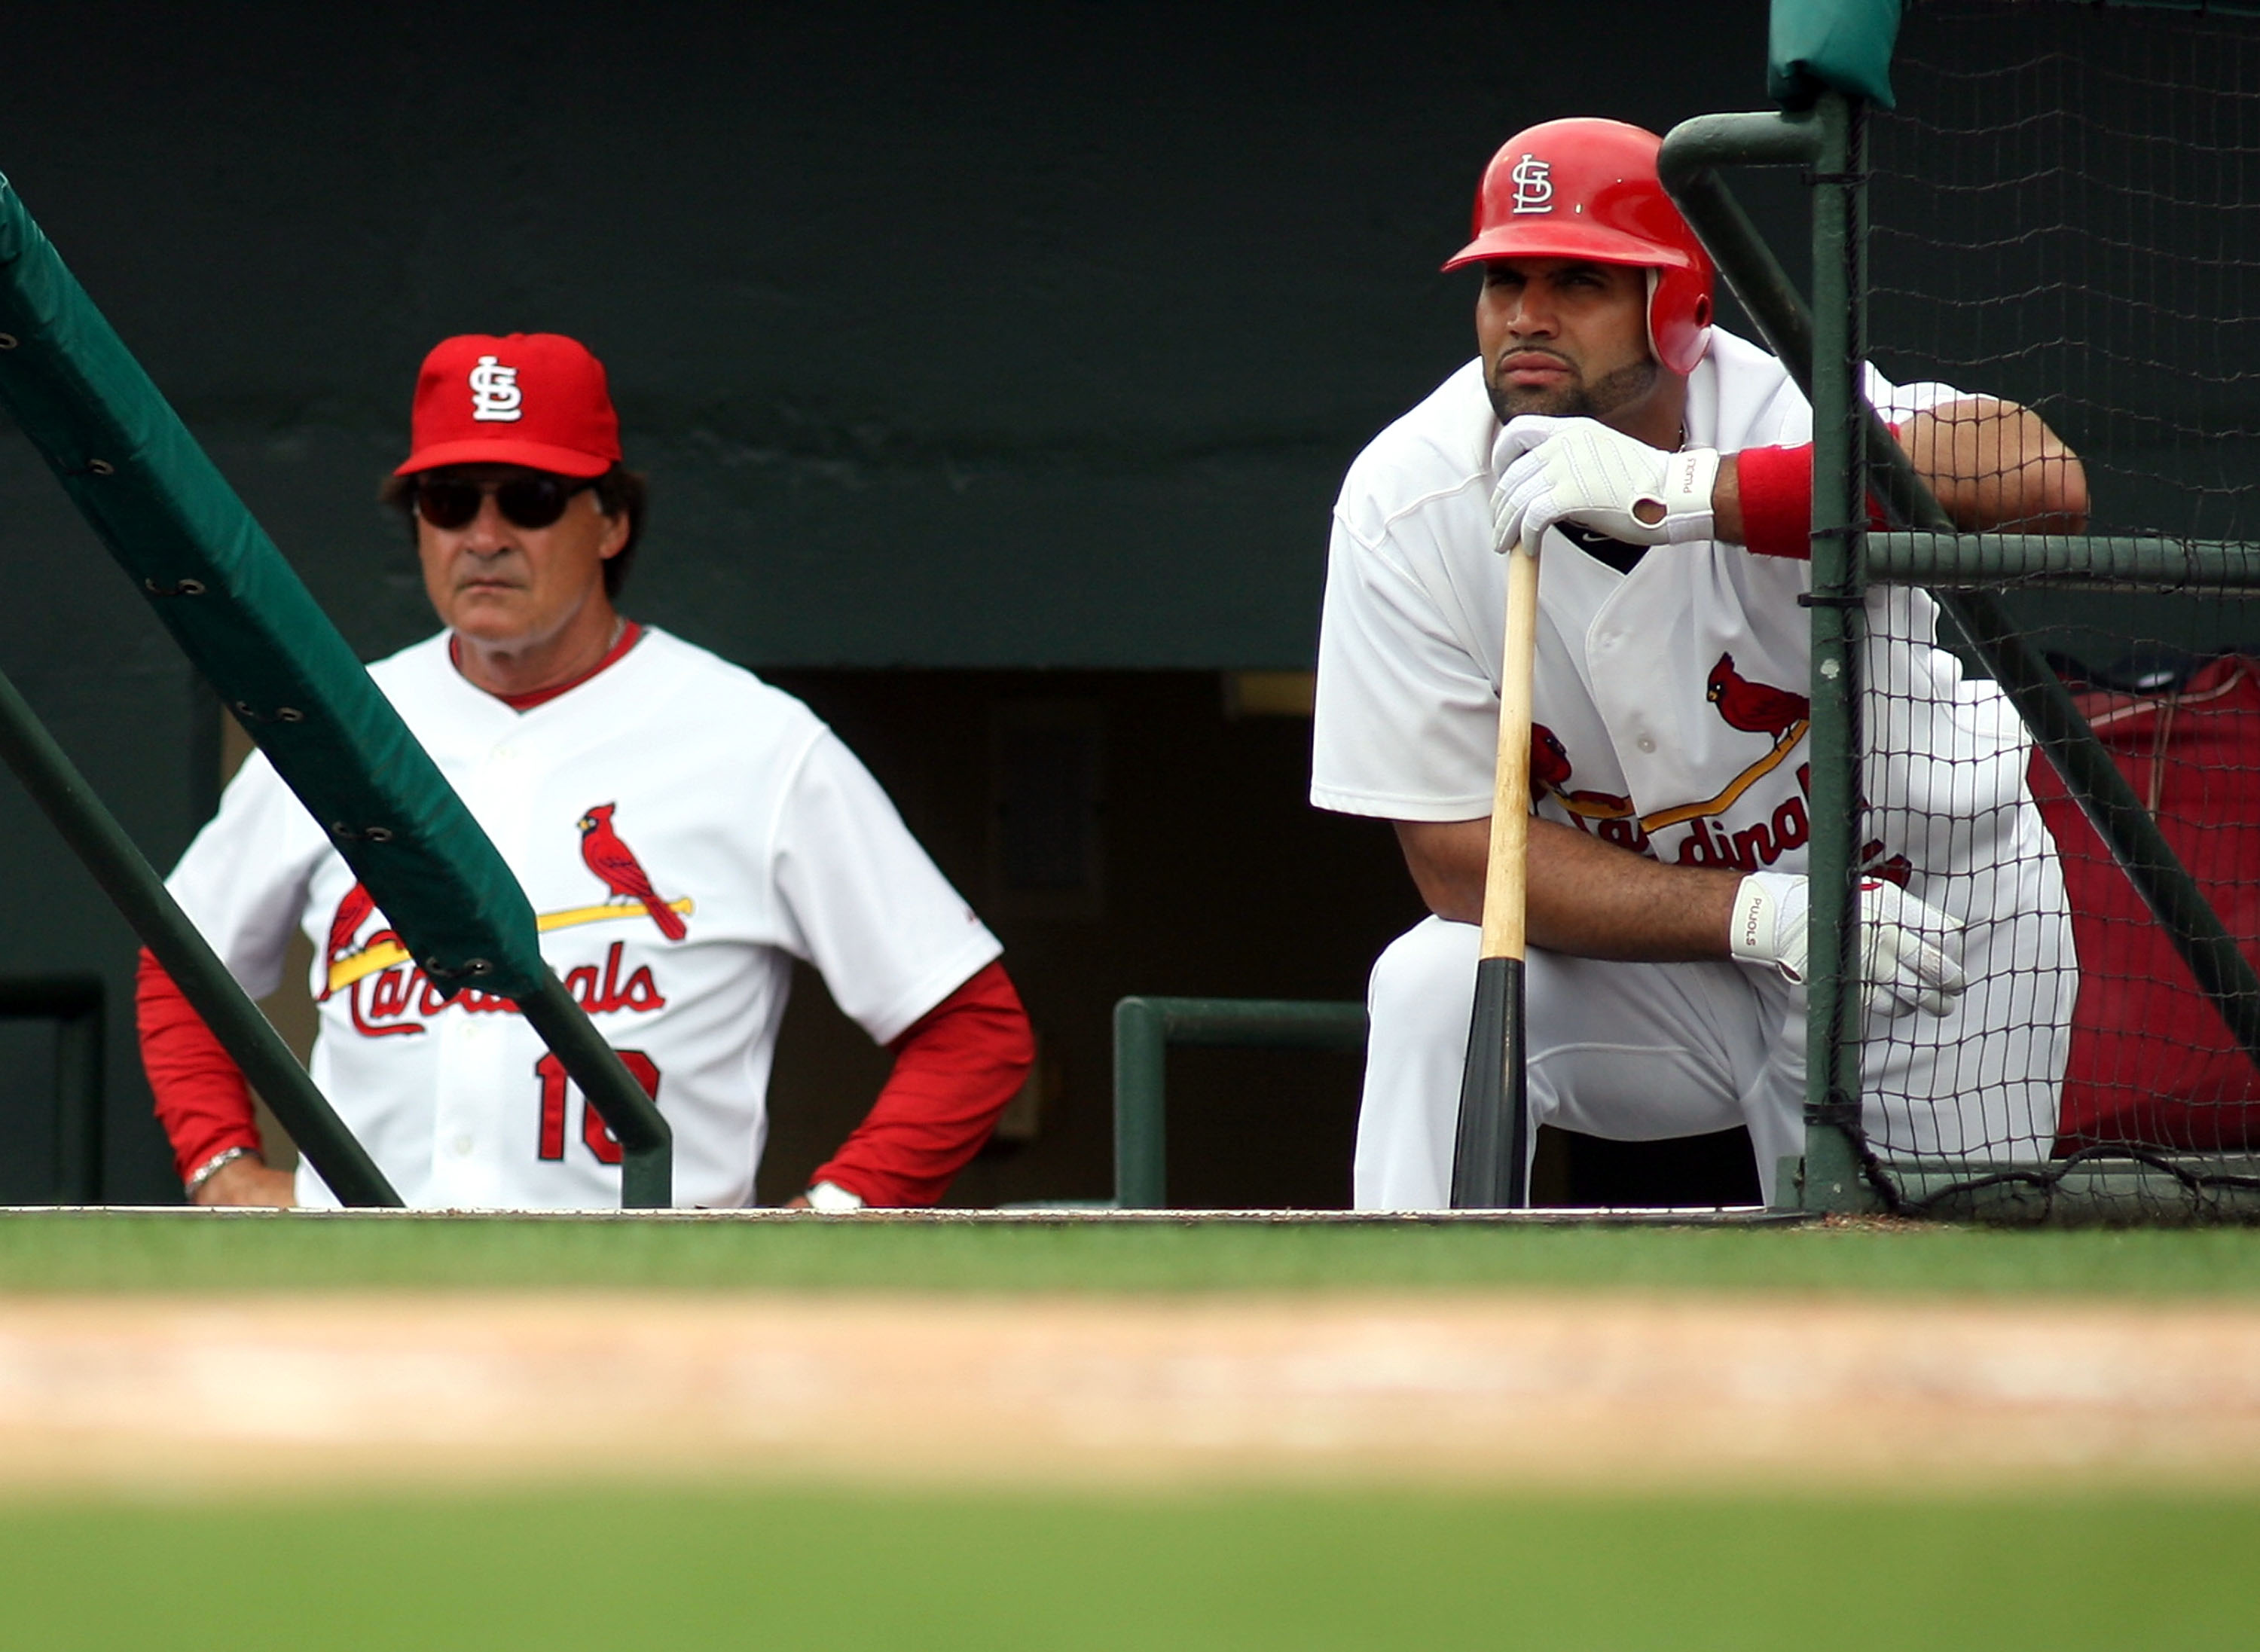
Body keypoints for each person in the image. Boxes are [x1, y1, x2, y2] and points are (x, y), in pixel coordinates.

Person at [1311, 119, 2088, 1208]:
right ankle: (1415, 1350)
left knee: (1914, 1308)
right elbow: (1457, 861)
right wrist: (1757, 915)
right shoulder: (1410, 498)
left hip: (1919, 924)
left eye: (1579, 279)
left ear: (1678, 311)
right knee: (1433, 984)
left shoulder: (1784, 405)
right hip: (1683, 949)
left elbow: (2041, 474)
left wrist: (1705, 496)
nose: (1526, 316)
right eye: (1502, 281)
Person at [139, 331, 1034, 1209]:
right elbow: (181, 958)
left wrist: (832, 1218)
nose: (483, 536)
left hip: (641, 1297)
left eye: (528, 498)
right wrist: (222, 1167)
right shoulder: (333, 722)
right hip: (367, 1291)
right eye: (449, 500)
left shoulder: (757, 743)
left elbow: (975, 1033)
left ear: (611, 522)